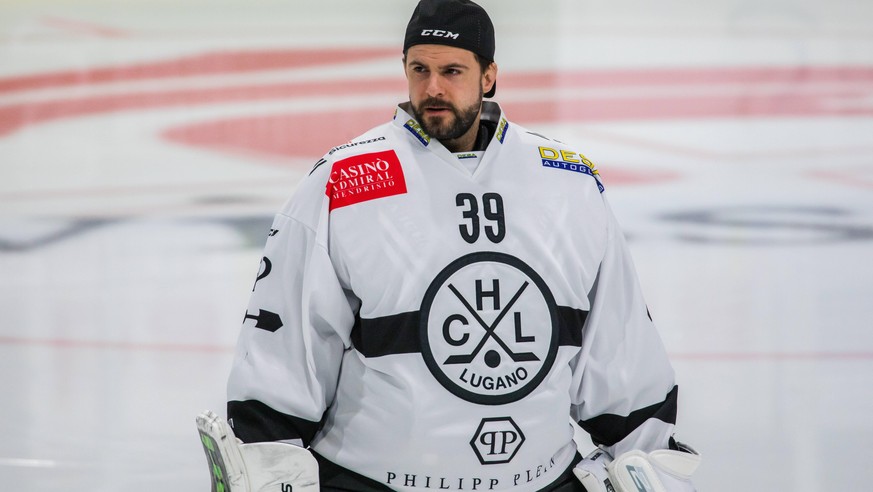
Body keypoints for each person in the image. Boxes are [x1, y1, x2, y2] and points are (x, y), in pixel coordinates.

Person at [207, 0, 701, 491]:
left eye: (452, 70)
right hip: (371, 482)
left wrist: (647, 459)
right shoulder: (345, 181)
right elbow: (284, 351)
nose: (433, 87)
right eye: (419, 69)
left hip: (541, 482)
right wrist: (269, 465)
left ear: (488, 76)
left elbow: (620, 349)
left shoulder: (568, 182)